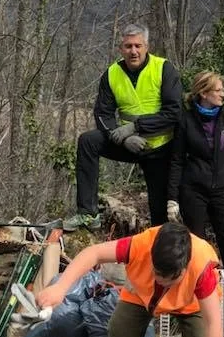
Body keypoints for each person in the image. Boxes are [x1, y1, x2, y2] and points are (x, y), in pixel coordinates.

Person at [35, 222, 223, 337]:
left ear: (184, 267)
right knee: (119, 331)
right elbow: (94, 253)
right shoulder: (141, 244)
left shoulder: (201, 265)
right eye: (157, 273)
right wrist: (60, 287)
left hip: (189, 303)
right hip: (142, 294)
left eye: (171, 280)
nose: (163, 282)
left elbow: (214, 323)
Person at [64, 24, 182, 231]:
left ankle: (160, 255)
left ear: (146, 46)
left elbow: (173, 113)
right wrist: (122, 138)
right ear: (121, 48)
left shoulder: (164, 69)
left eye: (138, 45)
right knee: (88, 141)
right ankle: (88, 213)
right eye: (128, 46)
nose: (133, 51)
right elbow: (102, 114)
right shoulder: (112, 74)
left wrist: (135, 127)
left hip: (160, 148)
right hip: (129, 144)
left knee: (159, 215)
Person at [167, 71, 224, 273]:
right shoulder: (186, 120)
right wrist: (172, 199)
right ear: (204, 93)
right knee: (196, 246)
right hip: (194, 191)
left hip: (222, 191)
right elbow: (177, 160)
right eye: (218, 90)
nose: (223, 94)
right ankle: (197, 292)